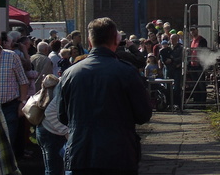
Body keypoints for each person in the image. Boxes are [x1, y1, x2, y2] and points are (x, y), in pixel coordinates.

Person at [58, 17, 152, 175]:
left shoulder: (70, 73)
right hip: (119, 155)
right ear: (116, 40)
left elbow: (62, 116)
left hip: (81, 155)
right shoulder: (126, 72)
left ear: (89, 41)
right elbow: (143, 114)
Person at [34, 74, 68, 175]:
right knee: (54, 170)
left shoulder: (65, 81)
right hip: (50, 131)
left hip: (45, 129)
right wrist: (66, 131)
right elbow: (50, 112)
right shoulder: (66, 85)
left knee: (54, 169)